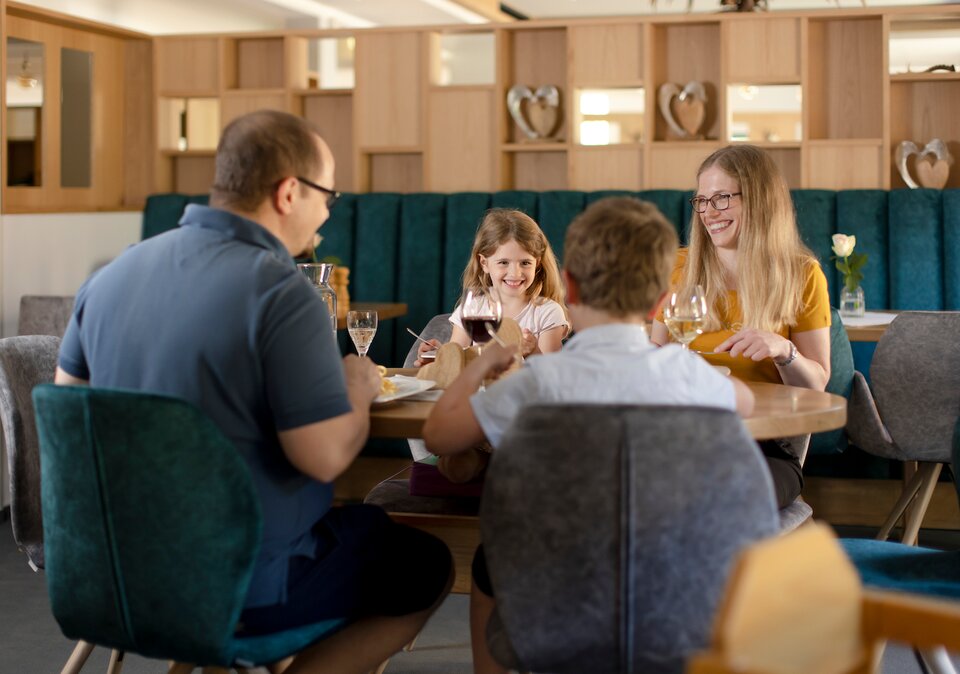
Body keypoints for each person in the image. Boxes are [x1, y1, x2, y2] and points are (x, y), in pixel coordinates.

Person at [55, 110, 452, 673]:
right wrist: (358, 386)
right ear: (290, 192)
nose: (327, 214)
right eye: (328, 196)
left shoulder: (110, 276)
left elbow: (72, 417)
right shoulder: (283, 295)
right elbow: (323, 457)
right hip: (241, 590)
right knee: (422, 563)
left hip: (109, 575)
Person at [422, 196, 755, 674]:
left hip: (555, 597)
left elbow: (439, 435)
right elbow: (742, 402)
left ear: (570, 287)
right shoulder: (686, 374)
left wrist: (484, 367)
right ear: (663, 300)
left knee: (488, 563)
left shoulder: (536, 381)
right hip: (674, 592)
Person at [650, 143, 831, 509]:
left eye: (721, 198)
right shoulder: (677, 268)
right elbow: (654, 358)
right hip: (681, 437)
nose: (708, 212)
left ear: (759, 200)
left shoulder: (802, 275)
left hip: (764, 448)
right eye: (701, 201)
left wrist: (785, 351)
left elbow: (817, 386)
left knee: (713, 497)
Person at [414, 208, 568, 366]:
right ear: (484, 263)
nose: (515, 273)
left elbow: (551, 376)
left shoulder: (548, 313)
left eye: (525, 263)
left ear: (537, 264)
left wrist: (533, 351)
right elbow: (456, 362)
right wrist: (437, 357)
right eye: (503, 262)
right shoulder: (473, 309)